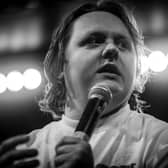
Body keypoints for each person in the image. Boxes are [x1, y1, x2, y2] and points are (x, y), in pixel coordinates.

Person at [0, 0, 168, 167]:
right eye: (94, 40)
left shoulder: (161, 139)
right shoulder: (27, 151)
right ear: (60, 63)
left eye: (123, 44)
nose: (112, 49)